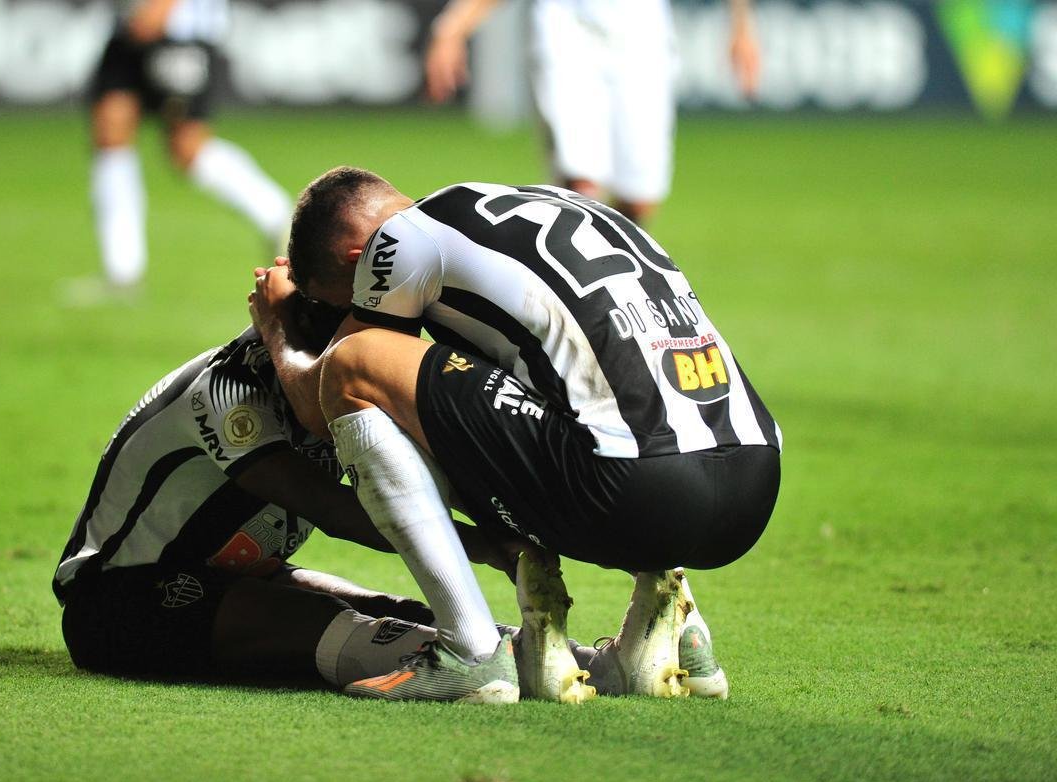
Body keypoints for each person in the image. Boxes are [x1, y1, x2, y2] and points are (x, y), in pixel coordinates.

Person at [248, 167, 782, 703]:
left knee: (358, 363)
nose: (340, 314)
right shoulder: (541, 205)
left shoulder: (397, 240)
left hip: (637, 489)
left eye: (334, 302)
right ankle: (677, 633)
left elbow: (325, 402)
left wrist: (278, 325)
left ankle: (470, 652)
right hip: (753, 483)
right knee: (586, 394)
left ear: (354, 259)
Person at [51, 304, 531, 689]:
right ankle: (481, 673)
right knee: (319, 616)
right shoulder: (225, 389)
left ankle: (570, 662)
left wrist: (518, 528)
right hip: (118, 600)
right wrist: (487, 547)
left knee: (391, 608)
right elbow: (327, 506)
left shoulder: (337, 380)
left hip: (243, 574)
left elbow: (434, 474)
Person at [424, 0, 760, 226]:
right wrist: (453, 27)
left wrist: (742, 27)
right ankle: (580, 301)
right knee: (581, 186)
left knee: (640, 199)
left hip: (642, 29)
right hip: (566, 25)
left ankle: (611, 273)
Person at [69, 0, 291, 303]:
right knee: (111, 133)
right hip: (128, 25)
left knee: (187, 148)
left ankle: (277, 214)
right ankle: (122, 272)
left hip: (182, 33)